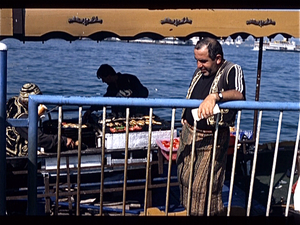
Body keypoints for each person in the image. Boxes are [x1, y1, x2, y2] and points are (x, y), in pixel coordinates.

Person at [176, 37, 246, 216]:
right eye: (197, 61)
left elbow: (239, 94)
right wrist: (185, 117)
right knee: (185, 177)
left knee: (203, 185)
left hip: (211, 137)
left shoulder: (232, 69)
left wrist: (216, 96)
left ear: (218, 58)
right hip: (189, 133)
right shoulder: (200, 72)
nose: (199, 65)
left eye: (203, 61)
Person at [6, 83, 75, 161]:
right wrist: (64, 141)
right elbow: (39, 139)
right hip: (17, 157)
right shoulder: (22, 118)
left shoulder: (13, 101)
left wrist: (36, 115)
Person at [84, 64, 149, 119]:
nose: (103, 81)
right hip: (121, 117)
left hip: (137, 115)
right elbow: (105, 100)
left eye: (103, 78)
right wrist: (91, 109)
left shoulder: (130, 79)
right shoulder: (111, 88)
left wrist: (131, 94)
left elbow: (144, 92)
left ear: (109, 76)